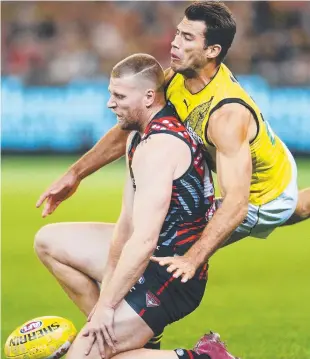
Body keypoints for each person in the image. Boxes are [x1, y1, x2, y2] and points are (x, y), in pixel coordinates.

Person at [35, 0, 309, 351]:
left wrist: (192, 258)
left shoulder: (226, 115)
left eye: (187, 37)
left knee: (286, 209)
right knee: (141, 249)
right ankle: (128, 334)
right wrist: (76, 173)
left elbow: (237, 204)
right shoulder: (177, 77)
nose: (175, 42)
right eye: (178, 32)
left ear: (212, 50)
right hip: (256, 166)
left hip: (260, 196)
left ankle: (151, 340)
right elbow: (132, 121)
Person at [37, 53, 239, 359]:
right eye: (110, 94)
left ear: (148, 97)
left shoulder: (160, 147)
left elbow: (144, 241)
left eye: (118, 96)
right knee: (48, 241)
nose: (110, 103)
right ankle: (127, 335)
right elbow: (126, 226)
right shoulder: (138, 137)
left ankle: (206, 357)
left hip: (170, 275)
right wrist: (105, 305)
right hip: (150, 256)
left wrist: (106, 307)